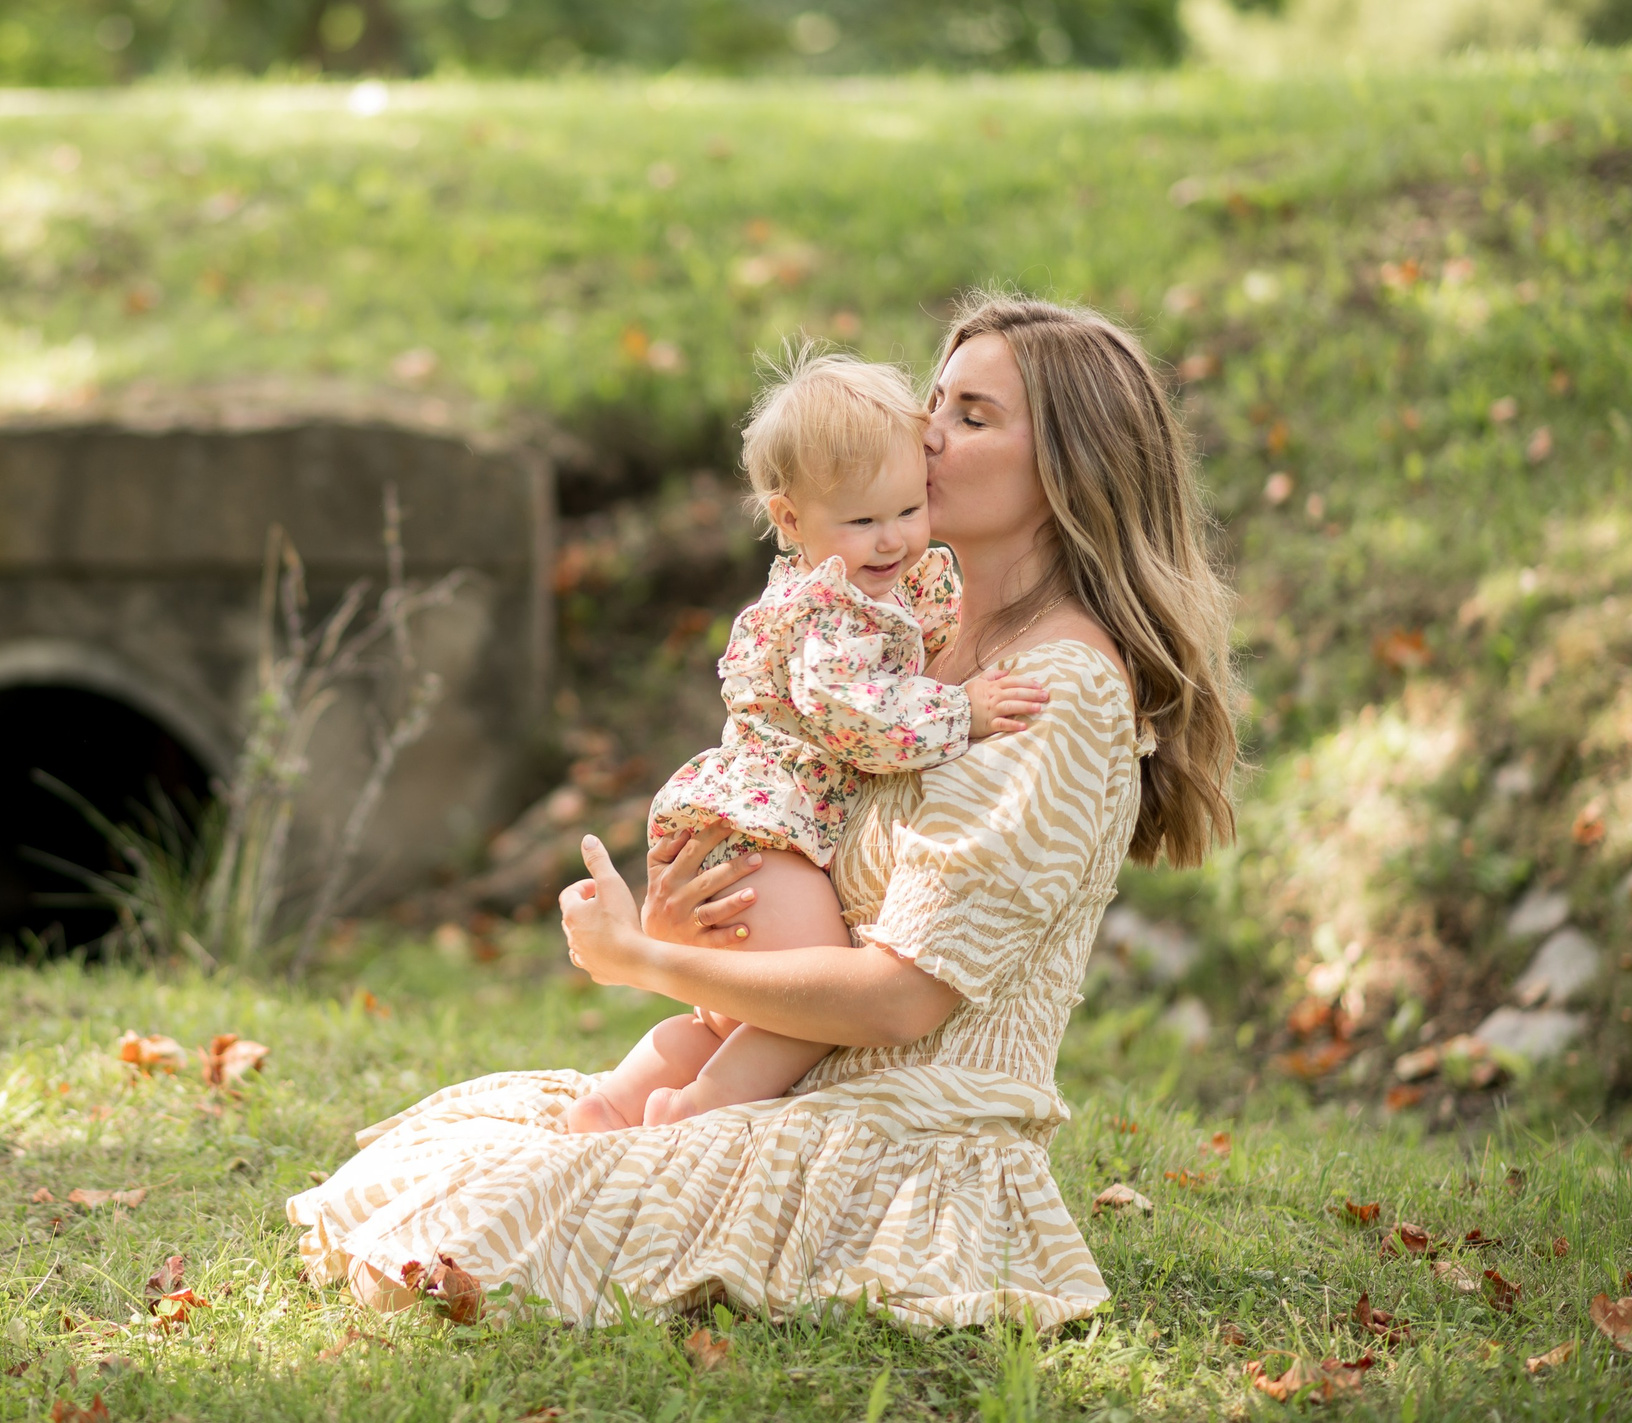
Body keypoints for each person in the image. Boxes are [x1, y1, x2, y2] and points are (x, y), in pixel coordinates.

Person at [290, 295, 1239, 1330]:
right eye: (933, 399)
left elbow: (897, 1001)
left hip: (898, 1140)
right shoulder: (914, 636)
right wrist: (703, 917)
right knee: (491, 1168)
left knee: (511, 1214)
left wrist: (640, 961)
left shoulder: (1058, 689)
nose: (924, 432)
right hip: (794, 1075)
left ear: (1069, 466)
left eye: (971, 415)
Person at [567, 351, 1046, 1133]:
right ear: (789, 519)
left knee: (729, 1018)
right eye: (862, 521)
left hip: (754, 826)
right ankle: (694, 1113)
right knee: (807, 1006)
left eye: (907, 509)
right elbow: (859, 715)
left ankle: (614, 1102)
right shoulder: (831, 614)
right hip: (771, 837)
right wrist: (963, 710)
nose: (891, 539)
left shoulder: (879, 581)